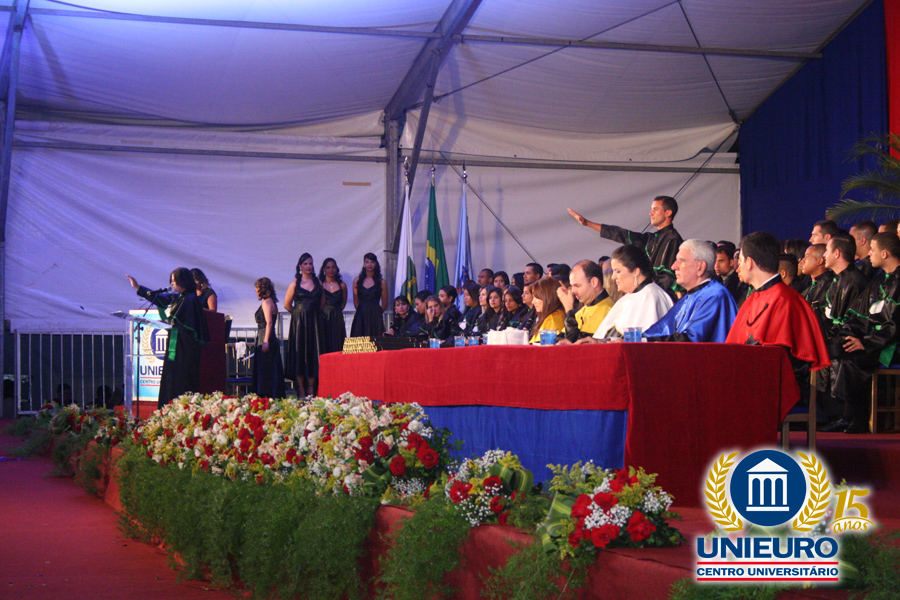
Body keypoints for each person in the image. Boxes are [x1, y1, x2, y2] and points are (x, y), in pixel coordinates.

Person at [725, 232, 830, 399]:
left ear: (749, 262)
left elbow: (782, 359)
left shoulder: (785, 299)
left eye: (741, 261)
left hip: (776, 387)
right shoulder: (755, 298)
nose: (738, 268)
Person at [823, 232, 900, 434]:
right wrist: (847, 334)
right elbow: (858, 315)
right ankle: (838, 413)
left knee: (852, 358)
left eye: (872, 250)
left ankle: (856, 417)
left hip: (891, 345)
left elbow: (894, 325)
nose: (868, 254)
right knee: (838, 348)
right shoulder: (877, 281)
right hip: (872, 340)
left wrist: (866, 343)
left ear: (884, 253)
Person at [127, 268, 210, 409]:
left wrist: (170, 319)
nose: (171, 283)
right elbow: (160, 299)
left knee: (181, 379)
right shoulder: (180, 298)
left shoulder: (190, 299)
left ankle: (180, 409)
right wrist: (138, 287)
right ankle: (168, 408)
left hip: (185, 348)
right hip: (175, 344)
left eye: (174, 281)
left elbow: (184, 321)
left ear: (182, 281)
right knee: (170, 377)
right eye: (171, 281)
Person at [568, 195, 683, 295]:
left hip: (658, 296)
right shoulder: (651, 238)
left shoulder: (672, 238)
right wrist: (588, 223)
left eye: (655, 209)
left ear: (668, 213)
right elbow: (621, 234)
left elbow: (666, 276)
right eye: (651, 209)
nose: (650, 213)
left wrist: (647, 293)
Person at [816, 235, 869, 426]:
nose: (824, 255)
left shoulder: (855, 282)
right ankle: (824, 413)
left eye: (827, 251)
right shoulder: (837, 281)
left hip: (853, 337)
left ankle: (844, 414)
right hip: (837, 333)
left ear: (837, 253)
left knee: (837, 354)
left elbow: (855, 320)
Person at [643, 240, 738, 343]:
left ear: (700, 267)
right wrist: (638, 338)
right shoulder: (689, 296)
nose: (673, 266)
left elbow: (692, 339)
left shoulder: (715, 295)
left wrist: (647, 341)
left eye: (682, 260)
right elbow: (660, 329)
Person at [577, 245, 673, 341]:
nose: (613, 277)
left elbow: (647, 342)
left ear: (635, 271)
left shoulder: (651, 296)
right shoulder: (627, 298)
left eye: (618, 271)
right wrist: (597, 342)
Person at [284, 253, 325, 397]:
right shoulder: (295, 284)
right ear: (300, 266)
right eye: (306, 264)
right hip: (299, 324)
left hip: (314, 323)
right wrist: (298, 314)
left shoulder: (318, 283)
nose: (308, 266)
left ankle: (311, 388)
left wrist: (313, 314)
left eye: (311, 263)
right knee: (300, 354)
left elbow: (322, 303)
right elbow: (287, 304)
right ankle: (301, 389)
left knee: (313, 353)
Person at [557, 260, 613, 342]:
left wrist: (568, 309)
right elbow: (559, 339)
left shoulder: (608, 309)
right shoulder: (585, 307)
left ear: (594, 282)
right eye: (572, 286)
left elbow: (576, 344)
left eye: (577, 286)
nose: (573, 291)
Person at [251, 277, 285, 399]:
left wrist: (265, 341)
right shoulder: (271, 301)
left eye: (257, 289)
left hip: (265, 336)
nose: (256, 292)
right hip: (266, 335)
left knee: (265, 368)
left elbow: (269, 323)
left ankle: (266, 394)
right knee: (270, 368)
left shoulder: (266, 303)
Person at [350, 252, 387, 337]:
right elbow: (356, 302)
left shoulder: (382, 282)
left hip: (375, 315)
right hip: (361, 316)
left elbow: (384, 304)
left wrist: (376, 312)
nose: (369, 264)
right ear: (364, 264)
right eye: (367, 262)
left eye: (372, 262)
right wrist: (363, 311)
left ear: (376, 264)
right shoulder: (357, 281)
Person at [319, 258, 348, 354]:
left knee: (338, 343)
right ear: (324, 269)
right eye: (328, 267)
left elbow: (343, 302)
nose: (331, 270)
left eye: (333, 267)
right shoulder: (320, 284)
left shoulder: (342, 285)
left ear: (336, 268)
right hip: (324, 318)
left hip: (337, 318)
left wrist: (336, 311)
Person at [800, 244, 834, 321]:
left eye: (807, 257)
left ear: (819, 261)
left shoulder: (829, 286)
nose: (802, 261)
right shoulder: (810, 287)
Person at [528, 277, 565, 344]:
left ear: (548, 297)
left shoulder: (553, 319)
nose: (533, 302)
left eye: (536, 297)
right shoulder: (553, 316)